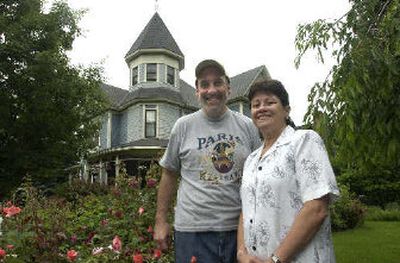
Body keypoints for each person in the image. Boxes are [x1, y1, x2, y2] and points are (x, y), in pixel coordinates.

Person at [154, 59, 261, 263]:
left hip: (239, 232)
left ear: (228, 87)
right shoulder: (183, 126)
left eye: (217, 83)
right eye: (204, 84)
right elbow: (169, 174)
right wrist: (161, 221)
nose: (211, 90)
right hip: (192, 233)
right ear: (197, 91)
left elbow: (260, 176)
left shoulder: (248, 127)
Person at [237, 80, 340, 263]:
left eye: (270, 102)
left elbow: (316, 208)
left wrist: (276, 260)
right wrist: (241, 253)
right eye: (255, 105)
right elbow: (246, 210)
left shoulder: (304, 141)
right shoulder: (251, 160)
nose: (261, 108)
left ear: (286, 110)